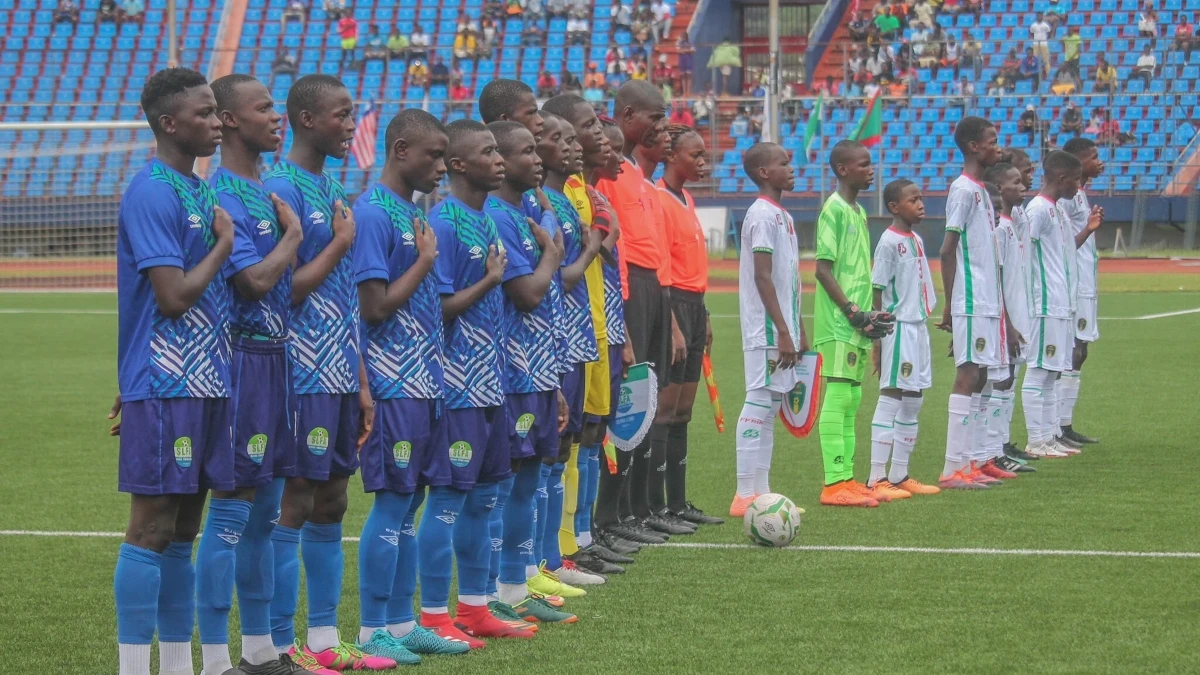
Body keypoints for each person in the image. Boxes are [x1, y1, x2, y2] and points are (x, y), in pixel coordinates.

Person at [109, 67, 233, 675]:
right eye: (205, 114)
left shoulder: (197, 189)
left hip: (205, 380)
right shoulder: (153, 190)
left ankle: (180, 664)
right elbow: (172, 297)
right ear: (168, 123)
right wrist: (223, 246)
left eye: (217, 112)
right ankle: (135, 667)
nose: (217, 123)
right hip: (166, 382)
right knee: (152, 528)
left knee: (185, 528)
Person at [350, 108, 481, 662]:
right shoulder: (375, 214)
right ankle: (371, 628)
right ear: (402, 150)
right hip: (392, 383)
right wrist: (425, 262)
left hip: (426, 383)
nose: (440, 166)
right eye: (432, 155)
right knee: (392, 505)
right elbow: (374, 307)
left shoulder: (412, 211)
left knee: (410, 506)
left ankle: (403, 625)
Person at [261, 75, 375, 667]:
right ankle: (280, 644)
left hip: (336, 373)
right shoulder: (279, 186)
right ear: (307, 120)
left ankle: (326, 643)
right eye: (342, 114)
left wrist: (358, 378)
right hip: (298, 373)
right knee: (295, 503)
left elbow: (340, 296)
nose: (351, 124)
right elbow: (283, 291)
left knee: (333, 503)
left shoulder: (328, 184)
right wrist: (337, 243)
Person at [206, 73, 317, 675]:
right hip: (242, 361)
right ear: (227, 121)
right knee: (232, 511)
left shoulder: (259, 191)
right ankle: (218, 659)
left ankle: (260, 651)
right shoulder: (223, 191)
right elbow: (250, 284)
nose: (277, 116)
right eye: (264, 107)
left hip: (280, 361)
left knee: (266, 514)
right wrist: (294, 237)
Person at [422, 119, 534, 645]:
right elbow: (439, 308)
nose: (500, 160)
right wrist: (490, 278)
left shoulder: (485, 218)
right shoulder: (444, 222)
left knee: (488, 495)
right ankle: (431, 615)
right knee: (448, 499)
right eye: (489, 152)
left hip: (492, 381)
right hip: (456, 384)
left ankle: (474, 606)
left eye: (499, 151)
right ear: (459, 165)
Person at [483, 120, 585, 623]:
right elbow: (527, 294)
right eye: (527, 150)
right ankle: (496, 590)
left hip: (539, 370)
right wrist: (553, 255)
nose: (538, 158)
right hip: (513, 371)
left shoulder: (523, 214)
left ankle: (516, 583)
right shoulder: (499, 218)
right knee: (507, 482)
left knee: (526, 481)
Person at [594, 81, 673, 544]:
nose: (660, 125)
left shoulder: (633, 172)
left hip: (649, 287)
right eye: (655, 116)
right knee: (622, 406)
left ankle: (629, 512)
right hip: (624, 292)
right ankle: (608, 516)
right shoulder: (607, 172)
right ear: (628, 114)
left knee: (645, 400)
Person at [811, 141, 893, 507]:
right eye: (863, 164)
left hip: (856, 319)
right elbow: (822, 269)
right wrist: (850, 312)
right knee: (840, 394)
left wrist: (868, 314)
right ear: (843, 169)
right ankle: (833, 484)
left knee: (853, 396)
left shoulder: (857, 212)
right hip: (840, 321)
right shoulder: (834, 209)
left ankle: (846, 477)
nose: (870, 170)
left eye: (870, 163)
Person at [730, 142, 808, 516]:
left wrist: (798, 326)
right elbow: (762, 277)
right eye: (784, 163)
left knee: (772, 403)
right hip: (764, 330)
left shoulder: (783, 216)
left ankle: (761, 490)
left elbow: (787, 278)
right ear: (764, 172)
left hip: (781, 327)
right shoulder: (761, 215)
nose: (791, 169)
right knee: (758, 399)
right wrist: (782, 329)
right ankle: (743, 492)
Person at [655, 124, 721, 524]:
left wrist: (706, 313)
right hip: (674, 305)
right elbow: (663, 267)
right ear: (671, 156)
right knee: (664, 411)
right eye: (695, 155)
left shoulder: (687, 199)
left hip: (696, 306)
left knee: (683, 412)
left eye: (704, 156)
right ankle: (656, 507)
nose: (702, 162)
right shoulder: (659, 199)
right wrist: (675, 323)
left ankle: (678, 504)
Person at [937, 116, 1006, 489]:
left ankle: (971, 462)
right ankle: (952, 469)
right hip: (971, 297)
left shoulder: (980, 189)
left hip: (985, 298)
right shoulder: (962, 190)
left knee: (980, 376)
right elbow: (948, 249)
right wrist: (950, 304)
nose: (998, 146)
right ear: (974, 147)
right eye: (992, 140)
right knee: (967, 375)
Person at [867, 179, 943, 498]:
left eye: (921, 198)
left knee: (914, 400)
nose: (921, 204)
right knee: (892, 395)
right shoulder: (888, 242)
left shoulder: (916, 239)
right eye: (913, 200)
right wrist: (877, 338)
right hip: (898, 328)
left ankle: (900, 474)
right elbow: (877, 290)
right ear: (895, 207)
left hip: (918, 327)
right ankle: (876, 478)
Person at [1022, 151, 1098, 457]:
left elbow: (1067, 251)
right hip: (1046, 303)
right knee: (1040, 370)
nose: (1078, 185)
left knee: (1054, 371)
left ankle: (1049, 437)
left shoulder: (1058, 211)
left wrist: (1088, 229)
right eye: (1076, 179)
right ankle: (1035, 440)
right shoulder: (1037, 210)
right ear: (1061, 178)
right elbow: (1021, 253)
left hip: (1062, 303)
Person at [984, 162, 1039, 472]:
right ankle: (994, 451)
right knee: (1000, 382)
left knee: (1007, 382)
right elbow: (997, 281)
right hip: (1007, 322)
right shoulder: (1001, 228)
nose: (1023, 187)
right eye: (1016, 182)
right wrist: (1009, 324)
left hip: (1017, 318)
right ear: (1000, 188)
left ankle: (1001, 445)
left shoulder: (1012, 223)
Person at [1057, 138, 1106, 448]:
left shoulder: (1080, 194)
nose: (1100, 162)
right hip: (1074, 285)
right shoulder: (1066, 199)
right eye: (1094, 157)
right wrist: (1088, 228)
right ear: (1077, 161)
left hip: (1085, 283)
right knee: (1071, 352)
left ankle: (1065, 424)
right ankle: (1059, 426)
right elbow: (1062, 243)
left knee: (1080, 351)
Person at [1029, 12, 1053, 78]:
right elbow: (1031, 33)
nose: (1039, 17)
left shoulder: (1045, 25)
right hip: (1036, 44)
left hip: (1044, 44)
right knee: (1034, 59)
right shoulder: (1033, 25)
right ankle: (1035, 73)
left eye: (1040, 16)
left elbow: (1049, 33)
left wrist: (1045, 39)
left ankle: (1048, 73)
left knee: (1046, 59)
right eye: (1038, 16)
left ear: (1042, 16)